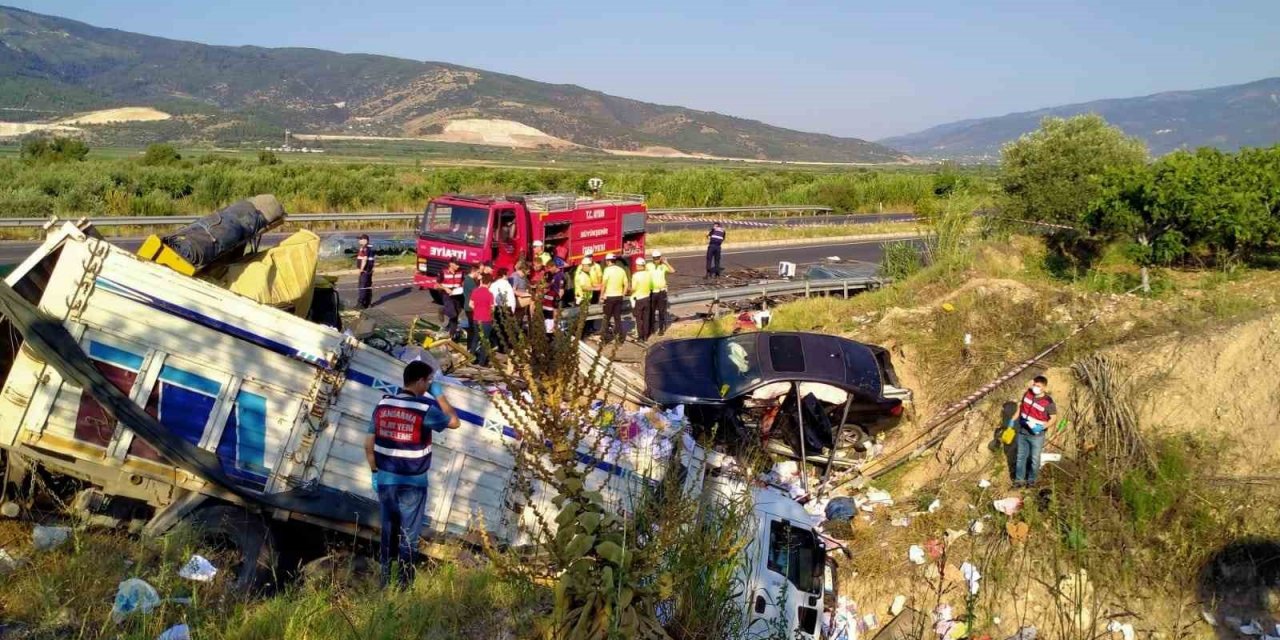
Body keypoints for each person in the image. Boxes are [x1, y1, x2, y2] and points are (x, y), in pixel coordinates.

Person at [364, 361, 459, 588]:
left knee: (388, 534)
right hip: (413, 485)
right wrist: (439, 395)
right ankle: (403, 586)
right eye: (428, 381)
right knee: (408, 537)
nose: (428, 386)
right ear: (420, 381)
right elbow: (455, 422)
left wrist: (375, 472)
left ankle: (385, 583)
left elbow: (368, 444)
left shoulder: (383, 405)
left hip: (386, 481)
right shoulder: (424, 410)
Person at [1012, 375, 1057, 488]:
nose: (1035, 388)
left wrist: (1041, 427)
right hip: (1023, 431)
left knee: (1035, 459)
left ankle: (1031, 481)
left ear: (1044, 387)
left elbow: (1053, 418)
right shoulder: (1027, 394)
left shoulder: (1048, 402)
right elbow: (1020, 407)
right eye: (1034, 385)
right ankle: (1019, 481)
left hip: (1037, 435)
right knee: (1021, 457)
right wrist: (1012, 420)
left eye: (1038, 386)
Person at [600, 253, 629, 344]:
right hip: (619, 297)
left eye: (606, 261)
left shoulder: (607, 270)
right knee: (617, 318)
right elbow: (626, 284)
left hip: (609, 297)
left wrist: (601, 295)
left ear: (608, 261)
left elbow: (604, 284)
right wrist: (623, 294)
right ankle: (620, 338)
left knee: (606, 318)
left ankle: (604, 339)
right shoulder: (621, 270)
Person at [468, 274, 496, 366]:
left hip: (476, 319)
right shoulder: (490, 294)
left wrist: (476, 309)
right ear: (489, 283)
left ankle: (471, 358)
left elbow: (470, 304)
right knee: (485, 340)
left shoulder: (475, 291)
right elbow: (492, 308)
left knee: (476, 338)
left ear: (481, 281)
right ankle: (482, 362)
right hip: (486, 320)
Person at [647, 250, 676, 336]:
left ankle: (661, 329)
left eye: (658, 258)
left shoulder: (663, 266)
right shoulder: (648, 265)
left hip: (661, 292)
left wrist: (666, 263)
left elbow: (673, 271)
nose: (656, 260)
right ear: (652, 258)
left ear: (660, 258)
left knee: (661, 311)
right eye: (655, 258)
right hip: (652, 291)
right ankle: (652, 328)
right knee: (651, 311)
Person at [489, 267, 516, 352]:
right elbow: (511, 298)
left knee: (498, 328)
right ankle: (505, 347)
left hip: (496, 308)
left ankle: (499, 346)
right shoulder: (507, 284)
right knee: (506, 329)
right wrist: (512, 310)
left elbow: (491, 296)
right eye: (507, 274)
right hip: (506, 307)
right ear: (504, 275)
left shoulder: (493, 284)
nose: (508, 276)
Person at [438, 259, 465, 339]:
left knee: (457, 312)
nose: (458, 266)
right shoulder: (443, 272)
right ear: (451, 264)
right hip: (447, 295)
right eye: (456, 264)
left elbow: (462, 282)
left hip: (457, 294)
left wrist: (463, 286)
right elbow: (436, 285)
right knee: (453, 314)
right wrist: (445, 288)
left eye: (459, 264)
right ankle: (442, 310)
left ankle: (451, 335)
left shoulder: (461, 272)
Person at [630, 257, 653, 342]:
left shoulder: (635, 275)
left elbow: (633, 288)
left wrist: (628, 289)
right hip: (647, 298)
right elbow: (651, 286)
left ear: (639, 265)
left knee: (639, 319)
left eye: (636, 265)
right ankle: (646, 336)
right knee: (646, 318)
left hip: (639, 299)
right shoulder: (648, 274)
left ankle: (640, 337)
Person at [461, 264, 481, 347]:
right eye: (478, 272)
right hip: (470, 307)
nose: (479, 274)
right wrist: (481, 282)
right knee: (473, 328)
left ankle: (471, 346)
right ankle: (471, 346)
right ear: (473, 271)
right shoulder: (469, 280)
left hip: (470, 307)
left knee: (472, 328)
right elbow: (477, 292)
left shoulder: (470, 280)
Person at [542, 261, 564, 337]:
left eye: (550, 268)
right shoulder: (552, 275)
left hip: (555, 299)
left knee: (554, 315)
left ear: (554, 266)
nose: (549, 270)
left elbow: (561, 290)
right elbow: (549, 284)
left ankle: (554, 330)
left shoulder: (560, 276)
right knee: (547, 317)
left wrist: (557, 300)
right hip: (549, 298)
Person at [356, 234, 375, 309]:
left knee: (362, 287)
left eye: (360, 239)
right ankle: (368, 303)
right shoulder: (370, 248)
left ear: (365, 240)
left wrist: (361, 270)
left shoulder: (365, 248)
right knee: (368, 286)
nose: (359, 241)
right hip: (369, 271)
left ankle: (361, 303)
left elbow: (365, 259)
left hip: (364, 271)